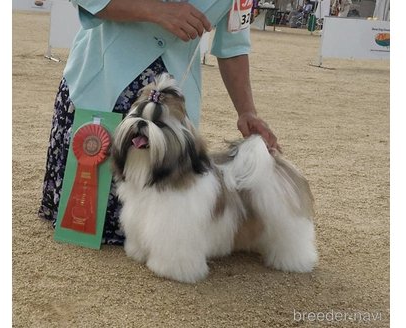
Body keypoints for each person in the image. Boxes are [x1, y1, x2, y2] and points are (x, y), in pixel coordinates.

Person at [38, 0, 280, 245]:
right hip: (100, 85)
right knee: (83, 223)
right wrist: (156, 10)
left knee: (159, 239)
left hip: (172, 116)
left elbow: (233, 46)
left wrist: (247, 111)